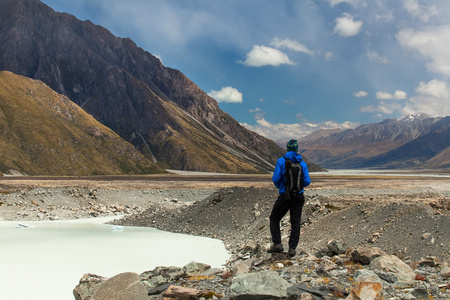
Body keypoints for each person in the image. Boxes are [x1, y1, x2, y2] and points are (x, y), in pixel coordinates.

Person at [268, 139, 311, 257]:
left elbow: (275, 178)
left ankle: (277, 245)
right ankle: (292, 248)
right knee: (295, 222)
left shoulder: (281, 161)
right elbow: (307, 181)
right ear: (297, 149)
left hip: (285, 196)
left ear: (287, 148)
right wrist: (298, 187)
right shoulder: (302, 163)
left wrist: (283, 187)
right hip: (298, 196)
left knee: (274, 218)